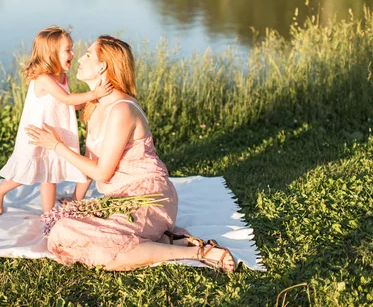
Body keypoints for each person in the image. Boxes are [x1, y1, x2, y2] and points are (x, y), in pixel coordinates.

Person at [25, 35, 236, 272]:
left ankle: (199, 252)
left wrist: (56, 146)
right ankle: (164, 240)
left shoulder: (121, 109)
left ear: (103, 66)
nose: (79, 59)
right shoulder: (94, 106)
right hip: (120, 199)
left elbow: (102, 173)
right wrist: (76, 202)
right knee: (62, 229)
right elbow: (90, 163)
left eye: (87, 55)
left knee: (105, 250)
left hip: (150, 196)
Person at [0, 26, 112, 215]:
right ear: (51, 54)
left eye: (72, 48)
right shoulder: (44, 78)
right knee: (25, 173)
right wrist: (93, 93)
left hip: (53, 132)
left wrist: (92, 102)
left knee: (49, 174)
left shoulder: (62, 76)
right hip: (37, 133)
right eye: (68, 50)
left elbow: (69, 104)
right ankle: (0, 191)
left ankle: (49, 214)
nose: (73, 53)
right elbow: (67, 99)